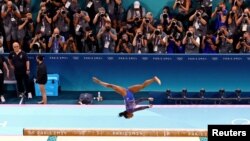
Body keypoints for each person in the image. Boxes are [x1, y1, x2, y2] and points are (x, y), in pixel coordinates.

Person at [92, 76, 161, 119]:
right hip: (130, 91)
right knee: (142, 86)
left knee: (111, 86)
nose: (131, 117)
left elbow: (140, 108)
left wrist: (148, 106)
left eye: (129, 117)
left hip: (125, 93)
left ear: (128, 114)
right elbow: (138, 100)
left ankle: (99, 82)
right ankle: (153, 79)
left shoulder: (130, 110)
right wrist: (147, 99)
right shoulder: (131, 108)